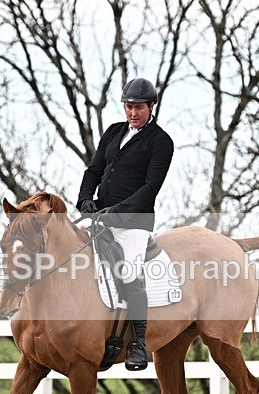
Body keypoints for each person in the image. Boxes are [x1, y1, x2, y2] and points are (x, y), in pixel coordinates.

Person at [77, 77, 174, 371]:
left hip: (134, 223)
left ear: (151, 107)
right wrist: (84, 201)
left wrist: (116, 212)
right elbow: (93, 170)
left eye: (139, 108)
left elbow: (150, 187)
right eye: (129, 107)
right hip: (102, 219)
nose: (133, 113)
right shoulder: (114, 132)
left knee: (129, 270)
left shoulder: (160, 141)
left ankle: (138, 343)